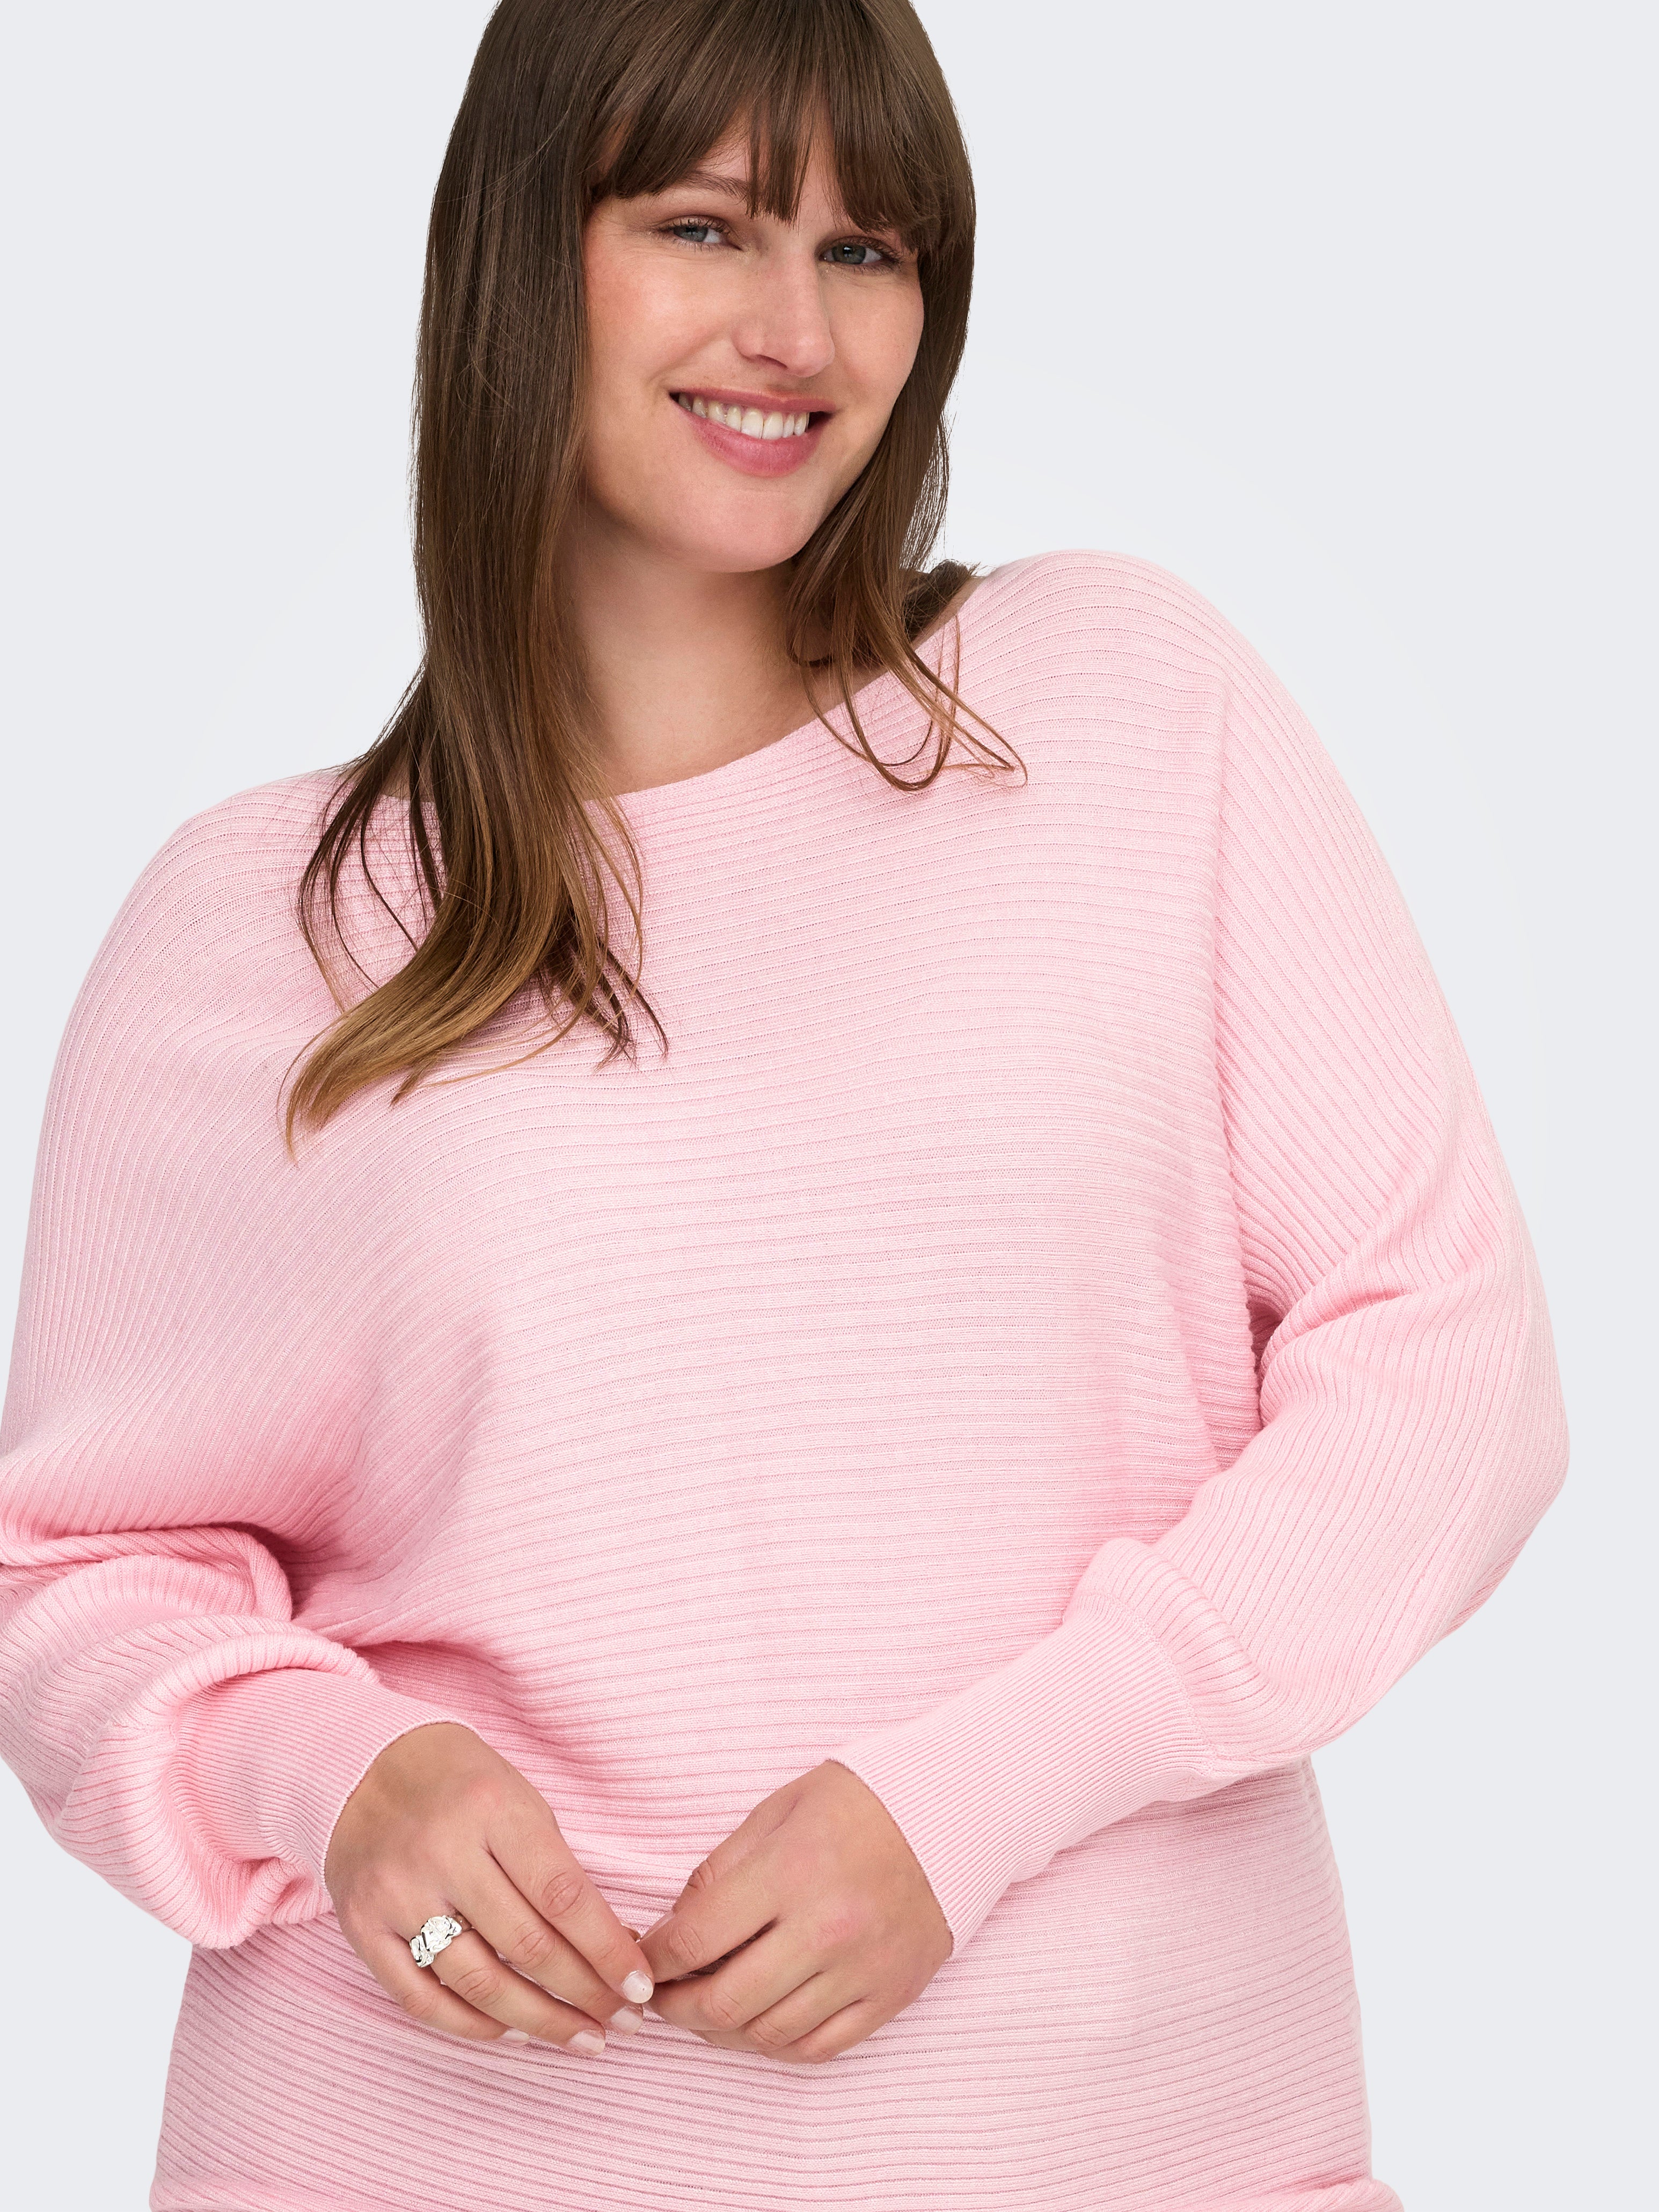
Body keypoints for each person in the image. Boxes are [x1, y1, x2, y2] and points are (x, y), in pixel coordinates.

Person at [0, 1, 1569, 2207]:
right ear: (520, 250)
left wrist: (979, 1796)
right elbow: (75, 1570)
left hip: (1132, 2146)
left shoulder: (1118, 709)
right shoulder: (262, 923)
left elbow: (1448, 1370)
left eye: (866, 249)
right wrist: (334, 1770)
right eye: (703, 225)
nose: (796, 330)